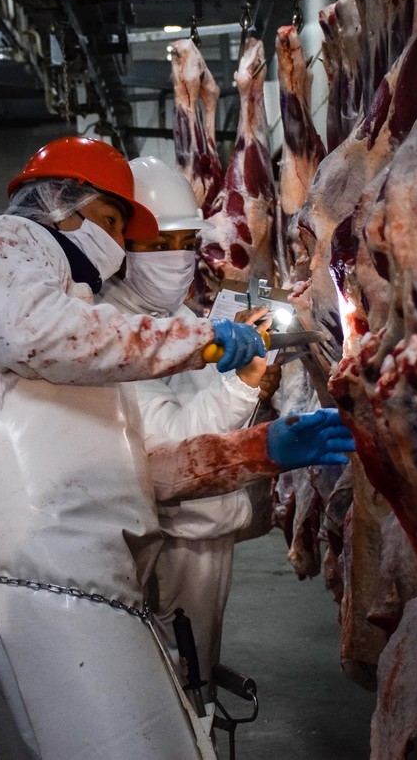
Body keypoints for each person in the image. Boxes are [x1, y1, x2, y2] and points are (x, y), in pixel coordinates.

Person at [0, 136, 354, 760]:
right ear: (64, 206)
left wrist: (264, 450)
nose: (116, 245)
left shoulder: (75, 313)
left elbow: (137, 470)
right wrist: (199, 341)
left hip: (73, 582)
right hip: (38, 583)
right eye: (114, 223)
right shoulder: (0, 244)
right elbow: (38, 333)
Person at [99, 155, 281, 699]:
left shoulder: (171, 315)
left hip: (203, 527)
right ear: (121, 248)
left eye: (184, 244)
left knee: (195, 668)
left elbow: (196, 390)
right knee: (173, 683)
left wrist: (230, 354)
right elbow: (173, 439)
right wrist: (243, 383)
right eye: (158, 246)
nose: (176, 260)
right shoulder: (113, 329)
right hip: (167, 539)